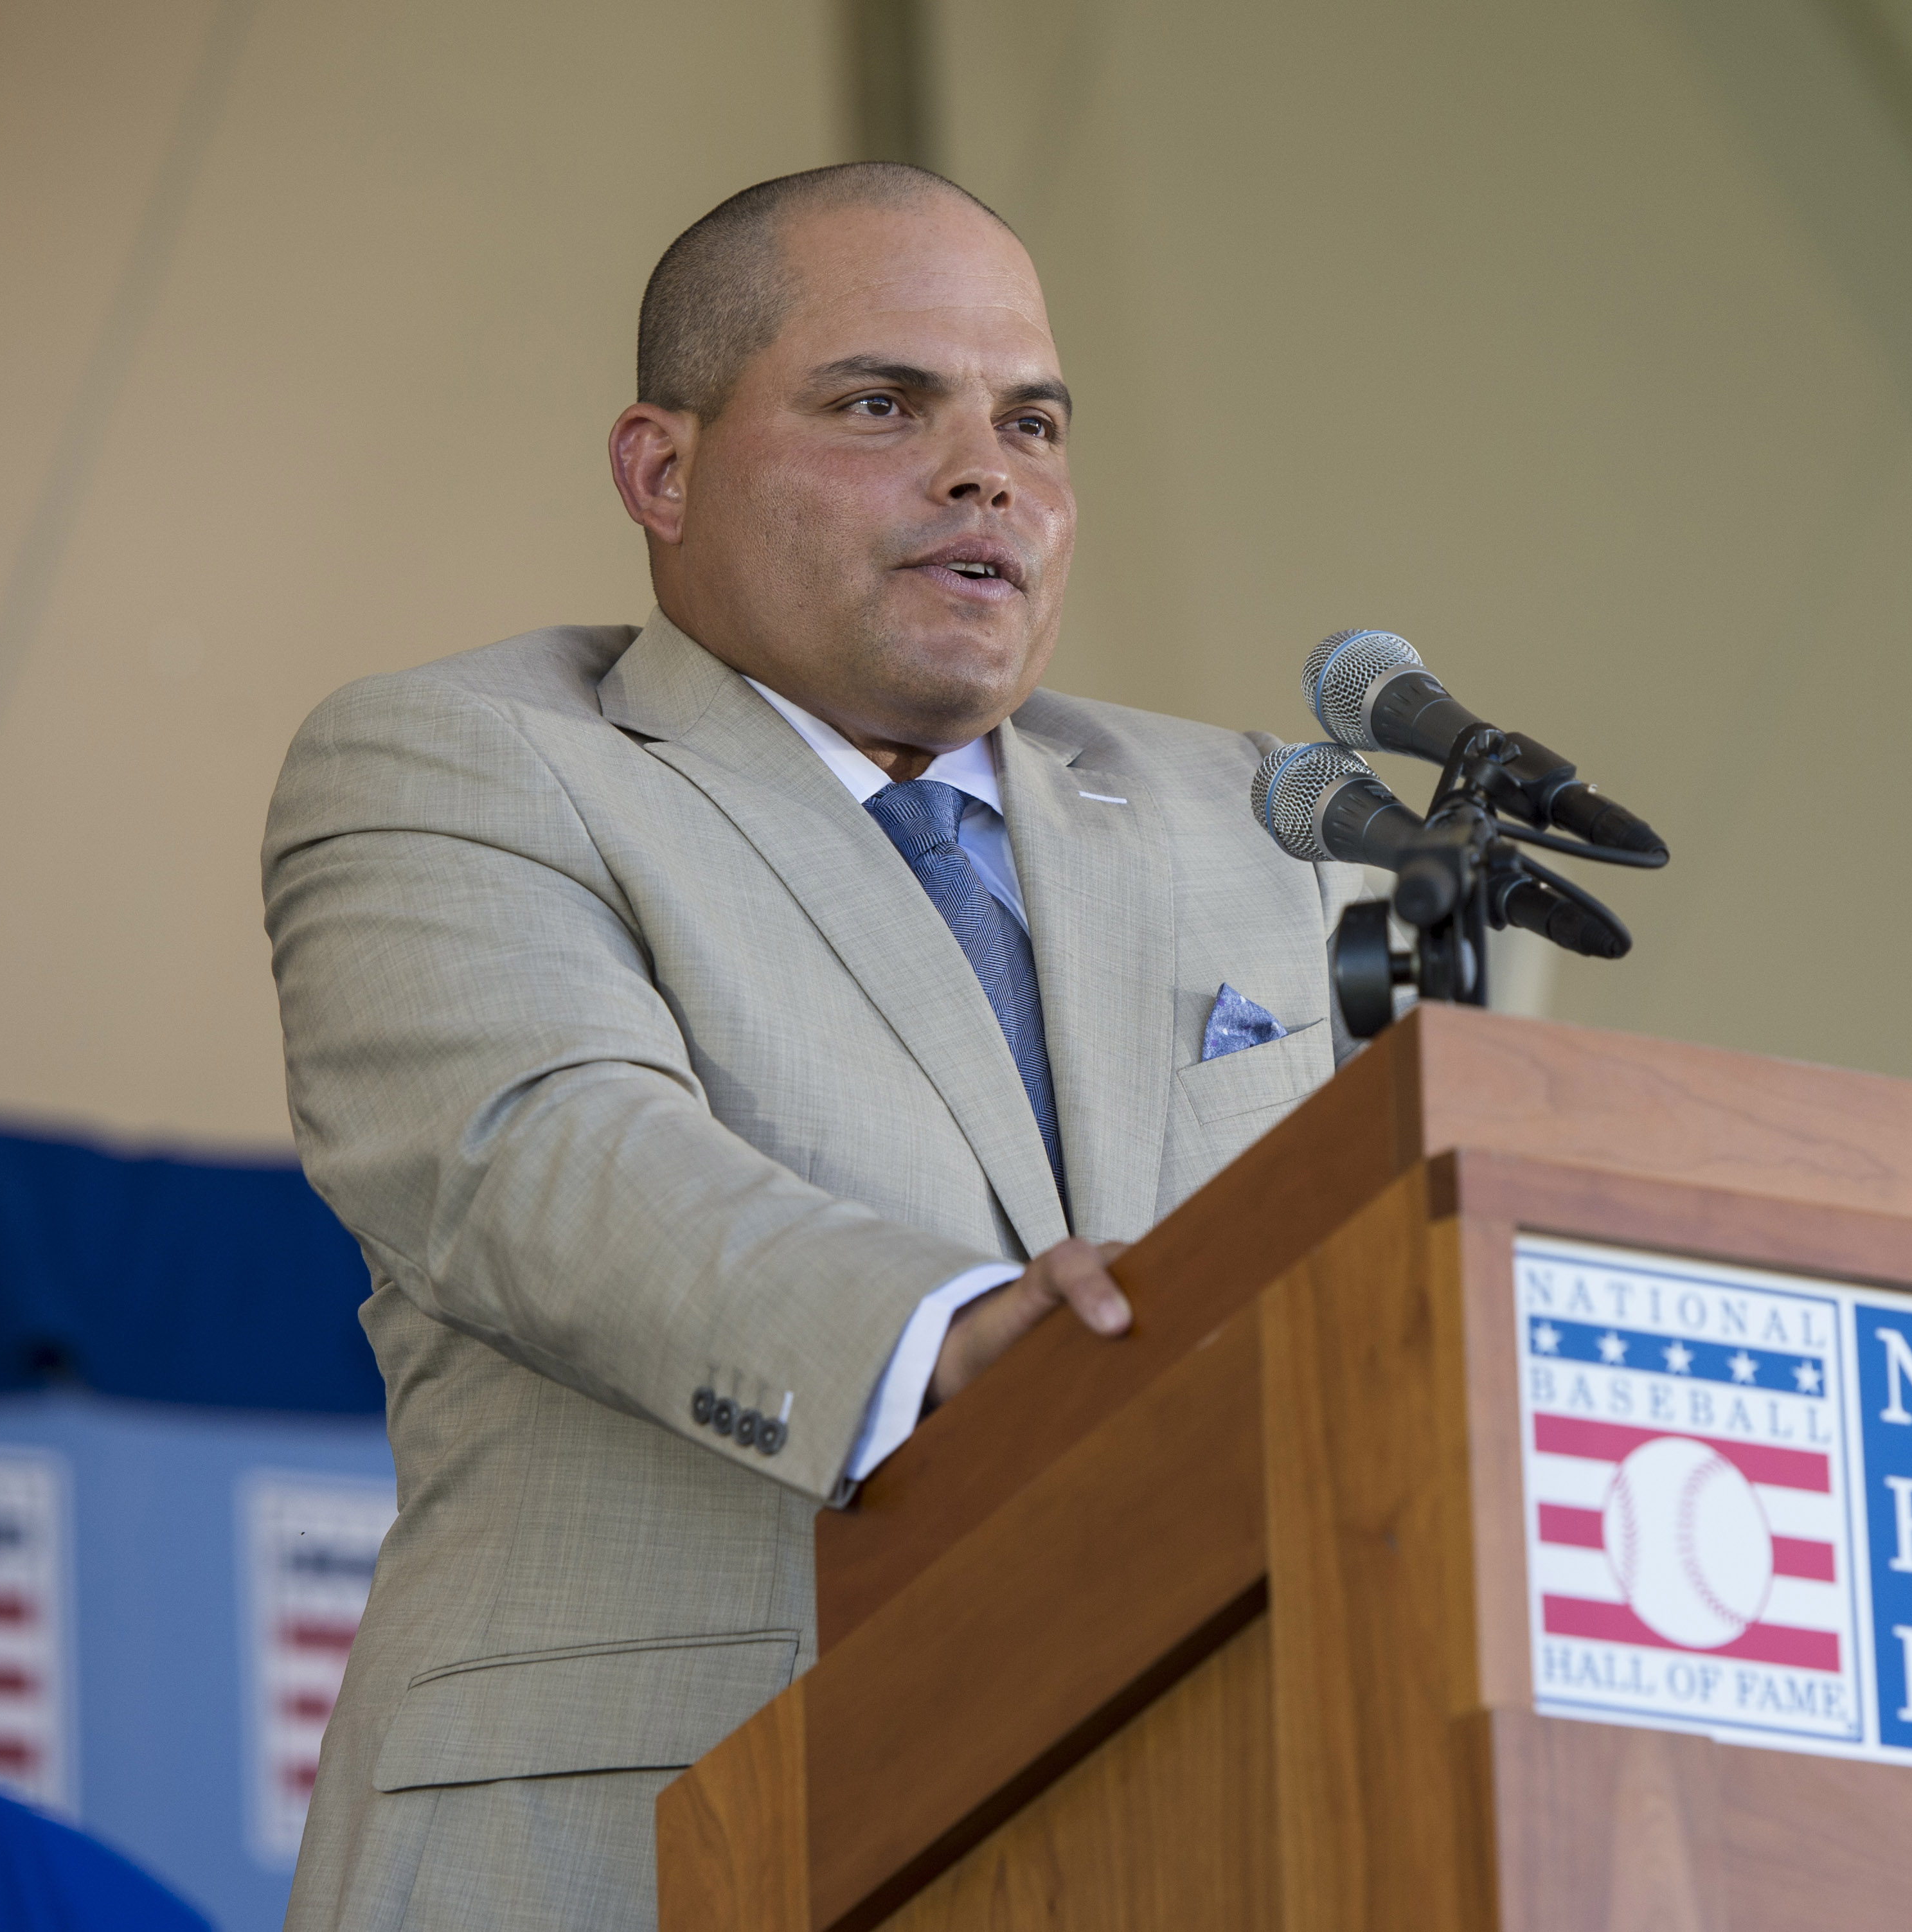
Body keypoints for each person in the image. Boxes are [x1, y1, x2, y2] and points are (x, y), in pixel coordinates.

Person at [261, 163, 1351, 1931]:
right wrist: (951, 1335)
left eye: (1035, 423)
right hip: (652, 1833)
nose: (988, 471)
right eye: (881, 404)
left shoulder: (1244, 822)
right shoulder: (463, 761)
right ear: (663, 470)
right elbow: (538, 1153)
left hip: (1184, 1819)